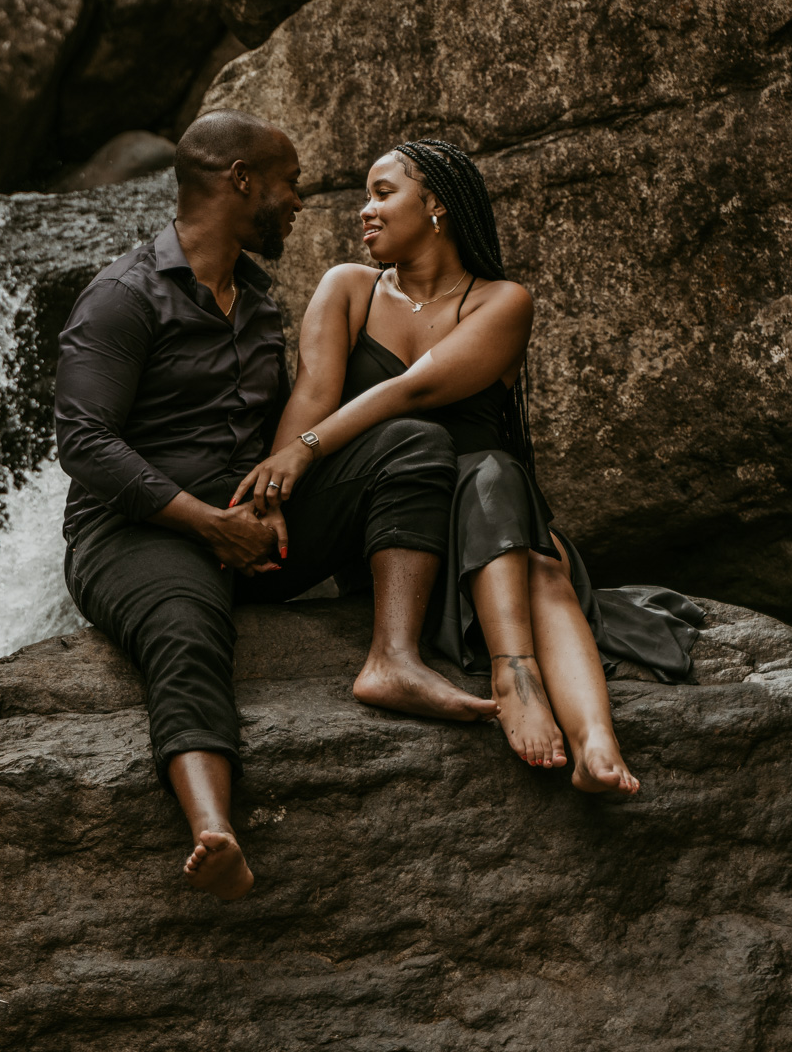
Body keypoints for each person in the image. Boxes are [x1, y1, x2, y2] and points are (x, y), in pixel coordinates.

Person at [55, 112, 497, 903]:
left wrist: (268, 505)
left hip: (246, 528)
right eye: (289, 183)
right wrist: (206, 523)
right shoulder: (123, 295)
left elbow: (277, 433)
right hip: (137, 534)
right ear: (241, 181)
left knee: (412, 443)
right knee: (188, 630)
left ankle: (393, 659)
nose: (298, 202)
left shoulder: (259, 305)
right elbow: (85, 445)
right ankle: (214, 831)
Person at [233, 138, 700, 796]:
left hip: (489, 518)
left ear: (437, 206)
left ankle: (595, 745)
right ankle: (517, 678)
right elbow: (310, 397)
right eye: (366, 196)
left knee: (517, 524)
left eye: (383, 193)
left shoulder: (503, 302)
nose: (365, 210)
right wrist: (274, 494)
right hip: (402, 525)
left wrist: (304, 448)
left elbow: (415, 389)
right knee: (516, 521)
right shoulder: (348, 289)